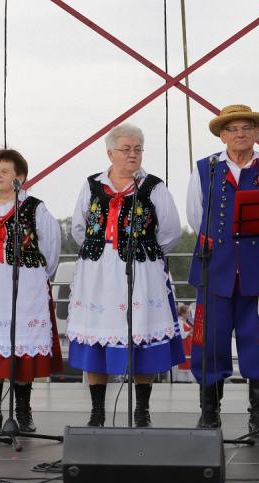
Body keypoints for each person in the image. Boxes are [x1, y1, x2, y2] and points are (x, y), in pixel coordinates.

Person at [68, 123, 184, 428]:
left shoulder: (154, 187)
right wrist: (103, 251)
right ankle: (97, 411)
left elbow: (171, 232)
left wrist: (144, 252)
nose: (133, 154)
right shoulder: (92, 185)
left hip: (140, 270)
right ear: (110, 153)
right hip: (98, 273)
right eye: (126, 149)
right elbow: (79, 229)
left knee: (142, 334)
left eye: (138, 149)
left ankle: (142, 410)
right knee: (96, 337)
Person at [186, 104, 259, 435]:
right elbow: (195, 216)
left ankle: (258, 416)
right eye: (232, 129)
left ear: (257, 133)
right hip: (215, 268)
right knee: (209, 341)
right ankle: (209, 412)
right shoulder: (205, 168)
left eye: (247, 128)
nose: (240, 134)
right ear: (222, 135)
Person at [0, 149, 62, 433]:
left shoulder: (35, 208)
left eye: (4, 171)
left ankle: (23, 412)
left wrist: (35, 276)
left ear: (20, 177)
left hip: (24, 291)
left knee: (21, 350)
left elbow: (51, 249)